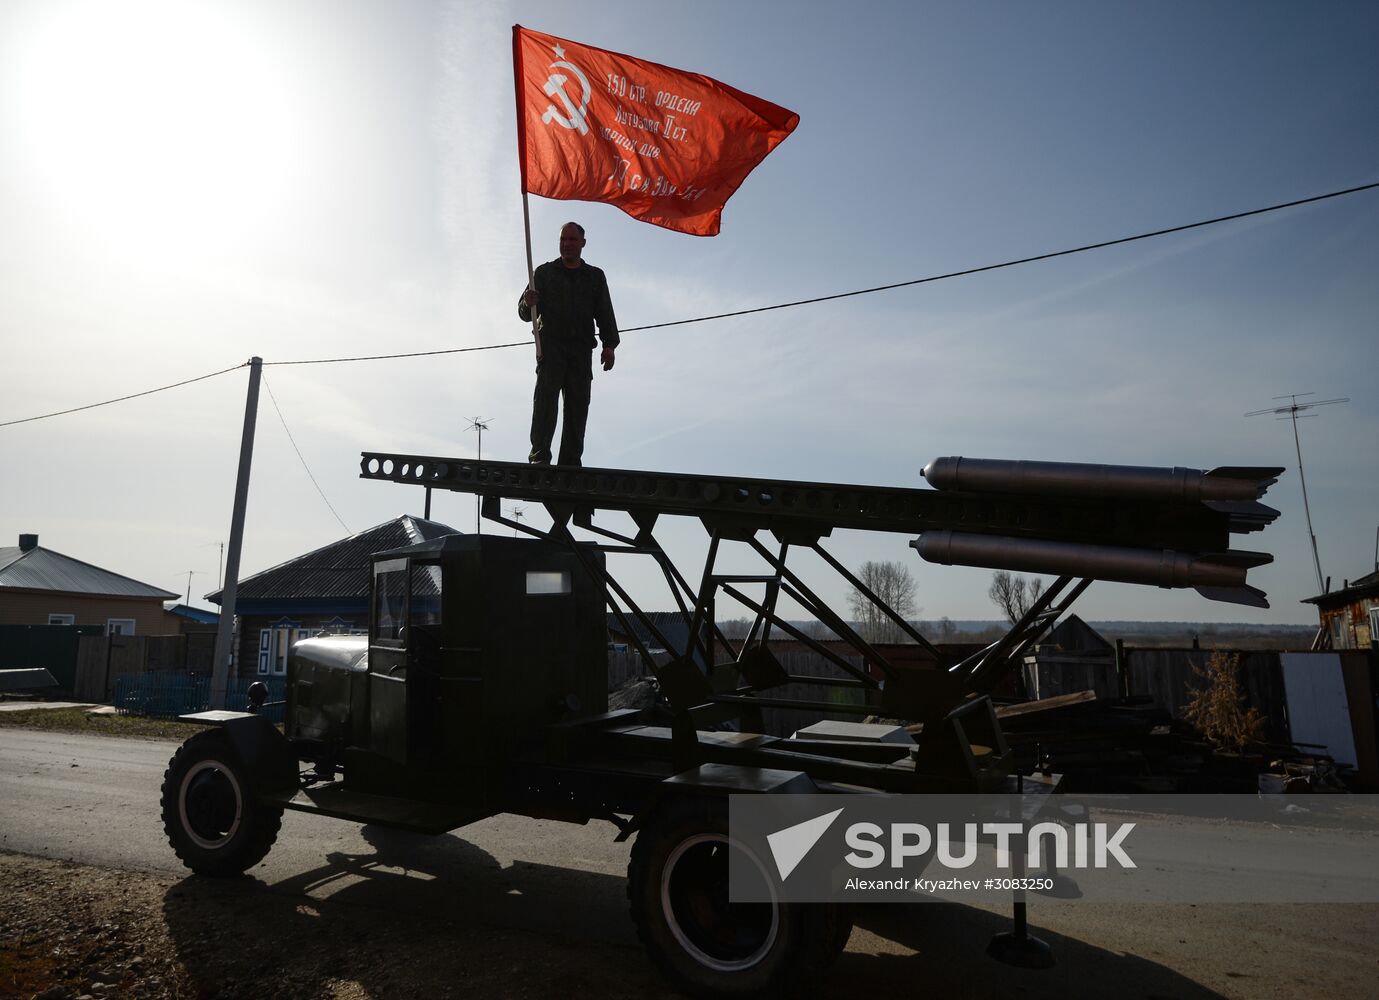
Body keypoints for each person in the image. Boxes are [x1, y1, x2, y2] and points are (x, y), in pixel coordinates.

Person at [519, 222, 619, 466]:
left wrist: (609, 345)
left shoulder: (595, 277)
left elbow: (604, 312)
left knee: (577, 407)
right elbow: (524, 313)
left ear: (583, 243)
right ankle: (540, 456)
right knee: (545, 402)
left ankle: (570, 463)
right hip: (551, 348)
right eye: (563, 239)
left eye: (572, 240)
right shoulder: (544, 273)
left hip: (580, 350)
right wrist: (527, 301)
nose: (567, 244)